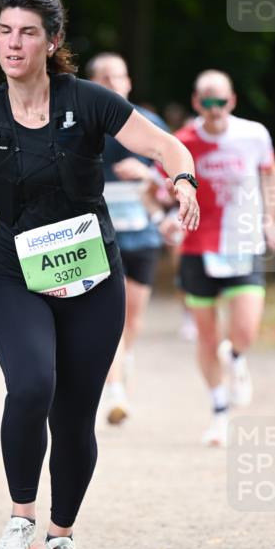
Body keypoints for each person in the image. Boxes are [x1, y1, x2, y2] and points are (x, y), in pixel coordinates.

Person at [0, 0, 199, 549]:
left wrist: (182, 179)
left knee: (76, 416)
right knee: (31, 385)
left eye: (27, 32)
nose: (13, 43)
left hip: (91, 274)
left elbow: (163, 144)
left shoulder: (90, 101)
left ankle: (62, 540)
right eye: (5, 31)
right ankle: (20, 521)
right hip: (12, 270)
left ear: (52, 42)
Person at [162, 69, 275, 448]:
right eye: (207, 102)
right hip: (198, 248)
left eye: (222, 102)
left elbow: (271, 172)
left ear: (232, 101)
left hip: (242, 242)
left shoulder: (253, 135)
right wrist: (165, 217)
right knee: (206, 334)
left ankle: (236, 355)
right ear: (197, 103)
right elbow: (159, 186)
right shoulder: (182, 142)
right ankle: (219, 413)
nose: (215, 109)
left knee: (244, 329)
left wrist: (270, 219)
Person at [85, 52, 170, 424]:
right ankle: (116, 391)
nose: (114, 84)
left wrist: (147, 173)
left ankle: (123, 359)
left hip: (142, 234)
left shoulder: (150, 124)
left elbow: (175, 178)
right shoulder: (80, 123)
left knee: (132, 320)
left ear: (129, 82)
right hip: (98, 235)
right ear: (92, 83)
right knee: (111, 318)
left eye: (119, 77)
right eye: (105, 78)